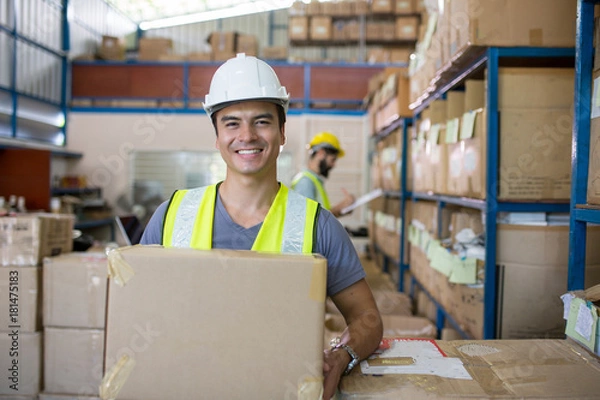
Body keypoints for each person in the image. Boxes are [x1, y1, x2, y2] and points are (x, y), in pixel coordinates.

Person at [139, 53, 382, 399]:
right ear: (217, 135)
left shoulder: (319, 225)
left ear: (282, 132)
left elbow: (368, 319)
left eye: (262, 122)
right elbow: (137, 311)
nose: (247, 136)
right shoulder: (171, 216)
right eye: (232, 123)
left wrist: (342, 356)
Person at [291, 132, 356, 218]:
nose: (334, 165)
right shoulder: (305, 182)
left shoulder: (314, 181)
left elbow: (319, 219)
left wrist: (340, 211)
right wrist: (338, 209)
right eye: (332, 160)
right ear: (321, 153)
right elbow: (308, 220)